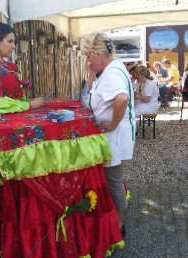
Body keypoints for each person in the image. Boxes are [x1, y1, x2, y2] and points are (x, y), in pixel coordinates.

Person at [81, 32, 136, 237]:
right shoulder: (111, 68)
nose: (87, 60)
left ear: (97, 53)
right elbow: (96, 95)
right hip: (109, 136)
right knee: (111, 178)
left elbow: (121, 98)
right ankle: (112, 219)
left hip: (112, 137)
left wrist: (113, 124)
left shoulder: (112, 73)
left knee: (114, 180)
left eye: (88, 56)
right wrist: (91, 75)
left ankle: (119, 225)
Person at [0, 14, 44, 112]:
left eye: (14, 42)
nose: (13, 46)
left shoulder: (4, 65)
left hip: (14, 117)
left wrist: (29, 101)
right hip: (1, 123)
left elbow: (13, 98)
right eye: (10, 41)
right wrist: (29, 104)